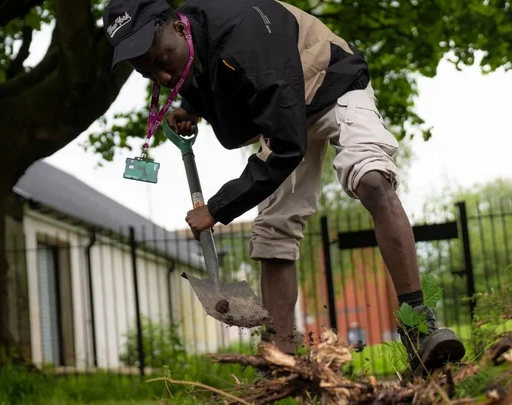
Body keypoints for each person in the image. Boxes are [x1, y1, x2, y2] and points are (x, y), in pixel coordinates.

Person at [103, 0, 465, 376]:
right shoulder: (191, 36)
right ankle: (280, 358)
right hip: (282, 108)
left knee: (372, 178)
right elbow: (208, 69)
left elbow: (288, 144)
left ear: (179, 29)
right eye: (148, 73)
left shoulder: (245, 36)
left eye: (162, 61)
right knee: (274, 231)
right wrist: (192, 107)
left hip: (331, 80)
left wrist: (218, 207)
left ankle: (419, 329)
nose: (161, 78)